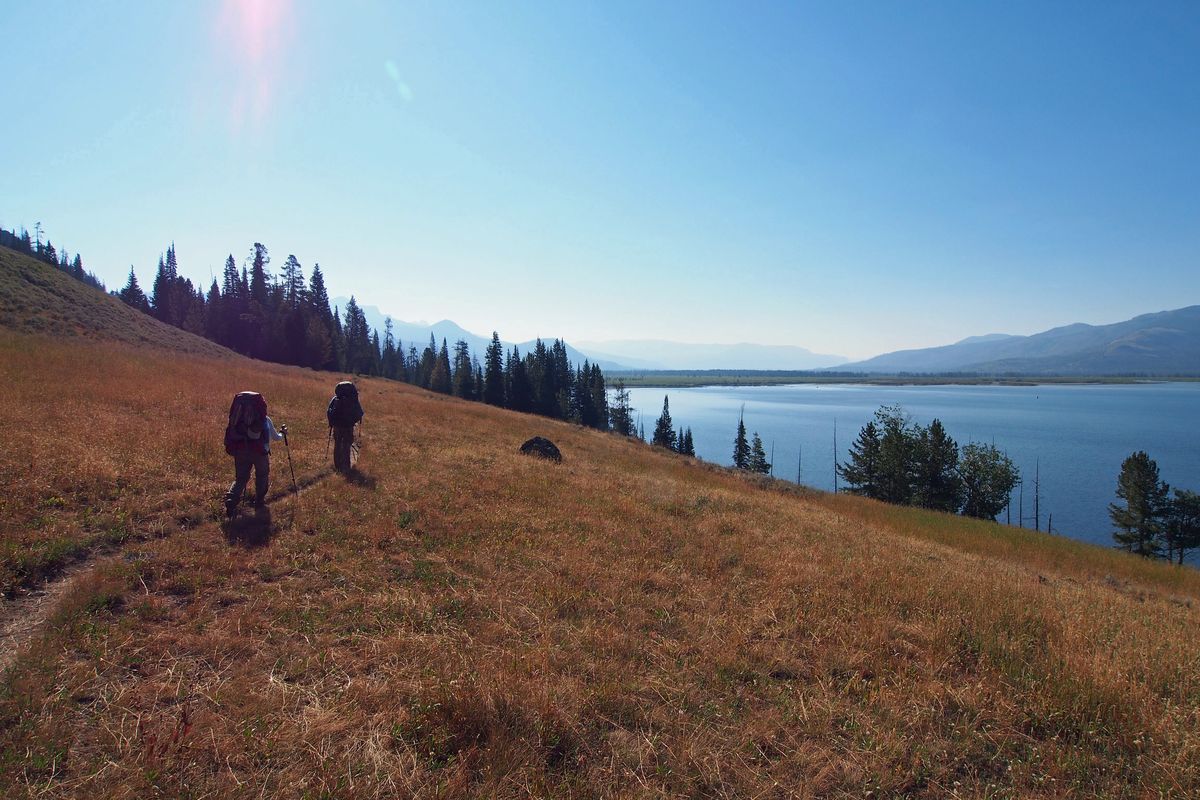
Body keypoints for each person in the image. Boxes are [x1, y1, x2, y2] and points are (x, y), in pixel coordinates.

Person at [223, 391, 286, 517]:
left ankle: (232, 498)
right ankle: (259, 501)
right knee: (262, 475)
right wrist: (283, 433)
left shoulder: (237, 419)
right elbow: (276, 437)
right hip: (259, 452)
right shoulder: (266, 420)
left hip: (240, 449)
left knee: (241, 478)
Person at [327, 381, 364, 473]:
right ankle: (346, 467)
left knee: (337, 444)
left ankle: (337, 465)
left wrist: (331, 423)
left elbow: (329, 411)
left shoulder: (335, 399)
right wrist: (352, 421)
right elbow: (359, 413)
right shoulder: (353, 400)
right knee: (347, 445)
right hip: (348, 426)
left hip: (337, 426)